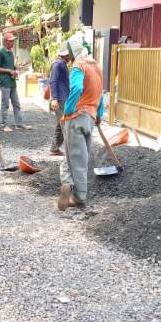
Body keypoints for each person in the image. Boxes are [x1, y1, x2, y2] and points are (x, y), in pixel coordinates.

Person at [58, 32, 105, 211]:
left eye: (68, 53)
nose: (68, 57)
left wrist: (69, 109)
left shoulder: (79, 66)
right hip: (91, 118)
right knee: (81, 157)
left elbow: (77, 87)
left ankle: (77, 196)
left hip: (76, 117)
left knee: (73, 157)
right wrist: (99, 113)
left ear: (73, 51)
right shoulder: (96, 66)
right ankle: (72, 187)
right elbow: (100, 92)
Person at [0, 32, 30, 132]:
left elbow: (10, 66)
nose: (12, 43)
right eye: (10, 41)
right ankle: (4, 125)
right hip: (4, 82)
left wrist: (16, 68)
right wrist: (9, 71)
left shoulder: (11, 52)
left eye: (13, 41)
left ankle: (19, 123)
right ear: (5, 41)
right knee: (5, 104)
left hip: (12, 82)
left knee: (16, 103)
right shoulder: (0, 53)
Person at [48, 47, 71, 156]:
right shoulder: (58, 64)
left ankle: (54, 148)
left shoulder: (61, 64)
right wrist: (55, 98)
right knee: (65, 124)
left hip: (63, 98)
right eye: (68, 56)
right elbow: (53, 81)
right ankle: (70, 152)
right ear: (66, 56)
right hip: (60, 99)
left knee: (60, 124)